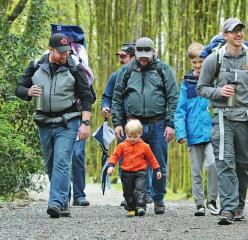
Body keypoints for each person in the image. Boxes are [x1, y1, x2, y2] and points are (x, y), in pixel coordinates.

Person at [196, 17, 248, 225]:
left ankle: (238, 206)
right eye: (234, 31)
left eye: (241, 30)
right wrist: (219, 91)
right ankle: (227, 209)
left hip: (245, 119)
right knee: (224, 162)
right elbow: (200, 88)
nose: (239, 34)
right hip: (221, 118)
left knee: (241, 164)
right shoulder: (213, 60)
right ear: (225, 35)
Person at [15, 33, 93, 218]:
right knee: (50, 165)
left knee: (61, 161)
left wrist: (85, 123)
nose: (64, 56)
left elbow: (87, 96)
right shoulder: (36, 65)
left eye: (66, 52)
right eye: (60, 52)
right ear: (51, 49)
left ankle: (56, 203)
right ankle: (63, 200)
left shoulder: (74, 67)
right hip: (44, 122)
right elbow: (19, 88)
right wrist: (28, 91)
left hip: (68, 121)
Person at [112, 37, 179, 214]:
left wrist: (171, 124)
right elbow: (117, 98)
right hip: (133, 125)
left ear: (153, 52)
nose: (143, 58)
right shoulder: (126, 71)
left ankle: (158, 199)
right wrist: (117, 122)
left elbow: (173, 97)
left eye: (146, 54)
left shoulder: (163, 70)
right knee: (130, 164)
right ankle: (135, 200)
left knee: (159, 163)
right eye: (140, 54)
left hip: (158, 123)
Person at [174, 42, 219, 216]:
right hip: (192, 134)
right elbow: (180, 110)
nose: (198, 65)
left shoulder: (213, 80)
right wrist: (181, 132)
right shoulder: (187, 83)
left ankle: (213, 200)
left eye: (201, 61)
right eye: (195, 62)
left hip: (211, 132)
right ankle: (199, 203)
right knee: (196, 170)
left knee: (213, 164)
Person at [101, 43, 135, 206]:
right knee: (125, 159)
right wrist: (105, 107)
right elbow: (107, 96)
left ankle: (145, 192)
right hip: (121, 123)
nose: (121, 60)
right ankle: (128, 194)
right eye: (120, 57)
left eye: (124, 56)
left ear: (134, 57)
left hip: (143, 123)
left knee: (145, 156)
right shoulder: (116, 75)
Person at [107, 119, 161, 217]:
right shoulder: (122, 145)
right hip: (126, 173)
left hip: (141, 172)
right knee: (128, 192)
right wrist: (111, 166)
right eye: (129, 136)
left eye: (135, 136)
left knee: (140, 190)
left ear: (140, 133)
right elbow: (115, 156)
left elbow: (152, 159)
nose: (132, 139)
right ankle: (131, 208)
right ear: (126, 134)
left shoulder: (145, 146)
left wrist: (157, 169)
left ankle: (140, 207)